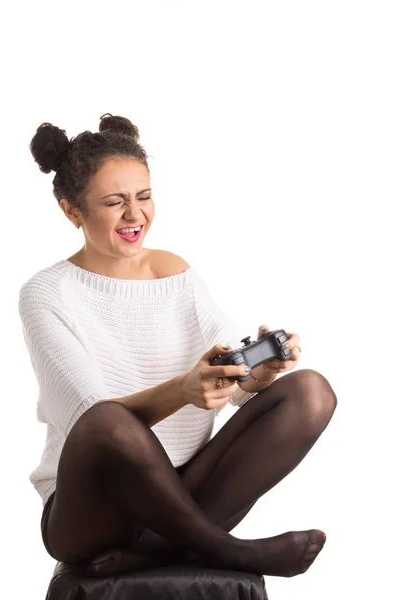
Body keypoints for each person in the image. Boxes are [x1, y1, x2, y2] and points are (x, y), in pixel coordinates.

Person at [18, 113, 337, 578]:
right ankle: (234, 552)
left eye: (144, 197)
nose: (135, 215)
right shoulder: (46, 293)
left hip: (186, 491)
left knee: (311, 392)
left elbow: (227, 363)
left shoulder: (175, 273)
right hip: (93, 506)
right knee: (106, 421)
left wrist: (255, 376)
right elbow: (93, 427)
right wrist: (184, 391)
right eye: (114, 202)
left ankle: (159, 552)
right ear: (71, 211)